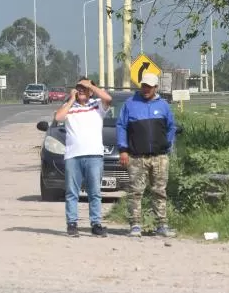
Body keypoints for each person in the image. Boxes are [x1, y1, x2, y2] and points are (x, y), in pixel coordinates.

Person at [116, 72, 177, 238]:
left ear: (156, 88)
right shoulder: (130, 104)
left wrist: (167, 142)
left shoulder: (163, 105)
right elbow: (121, 126)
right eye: (144, 86)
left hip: (160, 157)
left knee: (159, 191)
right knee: (135, 192)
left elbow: (172, 127)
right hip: (136, 157)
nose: (146, 89)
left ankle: (162, 225)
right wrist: (123, 149)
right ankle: (135, 225)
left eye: (149, 87)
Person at [54, 78, 112, 237]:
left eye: (84, 88)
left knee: (94, 192)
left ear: (91, 91)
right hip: (73, 156)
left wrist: (91, 86)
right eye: (79, 87)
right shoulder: (71, 108)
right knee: (72, 192)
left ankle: (96, 224)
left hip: (94, 155)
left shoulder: (97, 105)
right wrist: (71, 99)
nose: (81, 90)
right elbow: (58, 117)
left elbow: (108, 99)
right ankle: (72, 224)